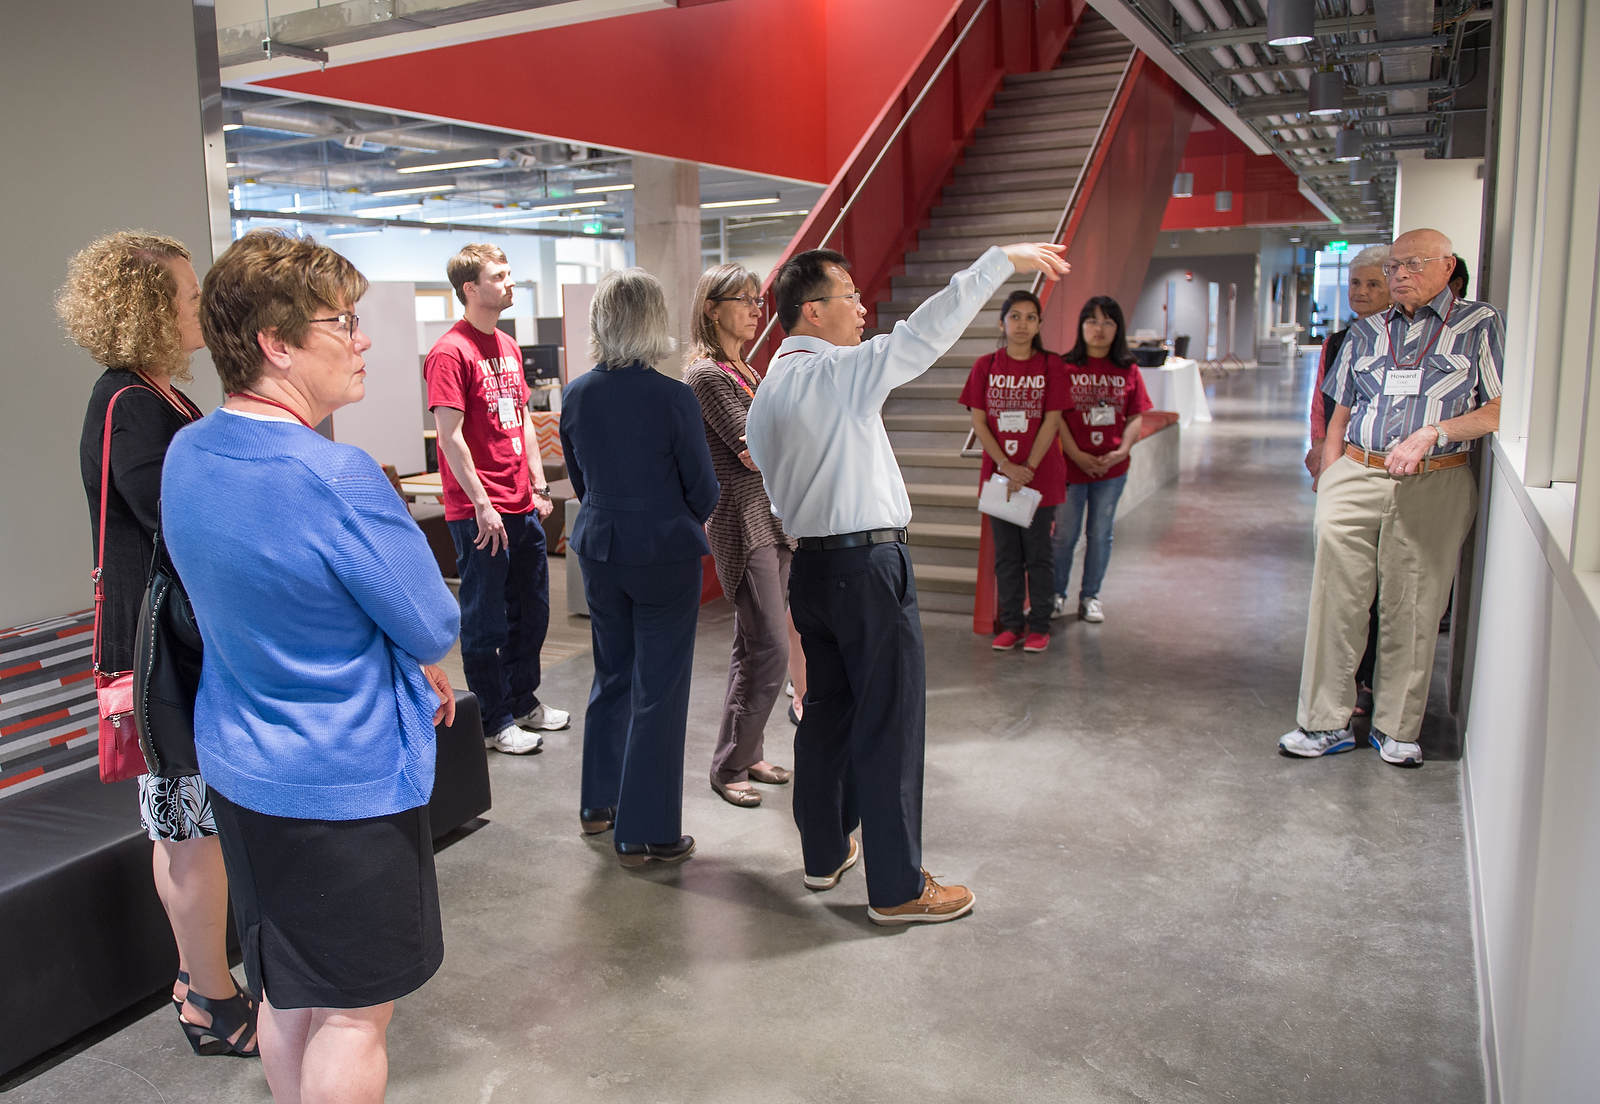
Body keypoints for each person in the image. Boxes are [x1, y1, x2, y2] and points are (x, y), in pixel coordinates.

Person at [163, 230, 459, 1104]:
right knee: (353, 1019)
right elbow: (431, 619)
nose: (362, 338)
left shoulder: (190, 452)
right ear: (276, 344)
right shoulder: (336, 476)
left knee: (288, 994)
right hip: (343, 783)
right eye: (343, 321)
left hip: (244, 771)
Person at [745, 240, 1068, 925]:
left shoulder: (768, 390)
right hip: (867, 566)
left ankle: (825, 852)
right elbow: (923, 333)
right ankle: (896, 887)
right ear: (811, 310)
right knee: (890, 723)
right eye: (850, 297)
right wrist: (997, 262)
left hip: (813, 567)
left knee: (826, 716)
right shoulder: (836, 374)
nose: (863, 309)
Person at [60, 231, 257, 1059]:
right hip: (159, 655)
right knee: (187, 832)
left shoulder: (151, 396)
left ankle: (201, 978)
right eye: (183, 296)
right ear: (145, 310)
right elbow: (177, 522)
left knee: (188, 828)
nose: (197, 308)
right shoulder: (131, 405)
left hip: (174, 648)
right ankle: (208, 996)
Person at [1279, 228, 1502, 767]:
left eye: (1412, 264)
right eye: (1394, 266)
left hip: (1435, 477)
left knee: (1415, 603)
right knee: (1336, 600)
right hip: (1357, 470)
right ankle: (1322, 722)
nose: (1399, 275)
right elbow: (1341, 412)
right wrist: (1330, 477)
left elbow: (1500, 407)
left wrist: (1435, 432)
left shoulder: (1479, 323)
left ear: (1447, 266)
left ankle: (1397, 728)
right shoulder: (1365, 331)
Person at [560, 269, 720, 867]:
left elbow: (580, 482)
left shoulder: (576, 394)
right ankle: (645, 831)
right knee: (661, 690)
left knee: (613, 677)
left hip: (600, 549)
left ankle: (598, 805)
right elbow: (703, 490)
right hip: (663, 553)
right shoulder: (673, 396)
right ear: (653, 321)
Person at [425, 243, 566, 755]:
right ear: (470, 287)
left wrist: (538, 484)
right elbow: (451, 437)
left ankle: (523, 698)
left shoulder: (506, 345)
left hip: (521, 503)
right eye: (499, 275)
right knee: (484, 619)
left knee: (531, 610)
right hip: (479, 512)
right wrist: (483, 503)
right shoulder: (450, 352)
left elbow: (522, 421)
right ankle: (493, 719)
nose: (510, 283)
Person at [683, 264, 797, 808]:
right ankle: (728, 764)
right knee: (771, 647)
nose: (757, 309)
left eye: (759, 299)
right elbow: (755, 449)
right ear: (712, 307)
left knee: (752, 646)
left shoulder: (746, 369)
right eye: (744, 299)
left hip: (773, 517)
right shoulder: (707, 375)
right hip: (742, 522)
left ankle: (745, 750)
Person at [1305, 244, 1391, 718]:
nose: (1360, 292)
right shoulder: (1338, 341)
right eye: (1356, 283)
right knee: (1343, 581)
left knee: (1382, 585)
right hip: (1342, 467)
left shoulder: (1403, 340)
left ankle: (1374, 677)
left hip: (1385, 472)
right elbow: (1322, 402)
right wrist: (1320, 453)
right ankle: (1348, 679)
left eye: (1372, 284)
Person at [959, 289, 1068, 652]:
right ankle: (1011, 624)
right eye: (1015, 316)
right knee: (1006, 556)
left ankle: (1038, 625)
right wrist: (1007, 467)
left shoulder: (1052, 366)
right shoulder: (986, 366)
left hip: (1041, 479)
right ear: (1002, 322)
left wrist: (1028, 468)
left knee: (1038, 556)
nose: (1023, 324)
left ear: (1039, 324)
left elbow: (1052, 422)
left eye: (1031, 317)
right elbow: (979, 421)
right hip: (1000, 481)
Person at [1050, 296, 1153, 624]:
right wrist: (1077, 454)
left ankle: (1090, 597)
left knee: (1100, 533)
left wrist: (1122, 451)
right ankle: (1056, 595)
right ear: (1081, 327)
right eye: (1092, 321)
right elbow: (1058, 418)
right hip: (1071, 468)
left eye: (1107, 322)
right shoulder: (1065, 367)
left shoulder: (1128, 369)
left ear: (1117, 329)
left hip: (1112, 469)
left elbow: (1136, 414)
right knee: (1065, 535)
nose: (1099, 328)